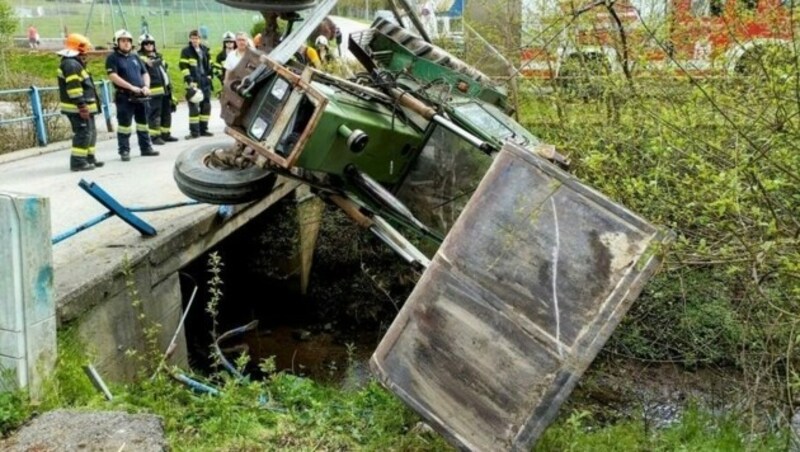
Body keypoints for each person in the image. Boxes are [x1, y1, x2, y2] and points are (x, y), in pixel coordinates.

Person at [106, 29, 158, 161]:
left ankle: (146, 148)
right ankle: (124, 150)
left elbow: (144, 73)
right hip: (125, 96)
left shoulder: (135, 57)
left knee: (143, 124)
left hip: (140, 96)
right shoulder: (112, 58)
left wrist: (146, 86)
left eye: (128, 41)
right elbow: (113, 75)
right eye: (123, 41)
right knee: (124, 125)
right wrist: (130, 87)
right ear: (117, 42)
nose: (126, 43)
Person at [57, 33, 102, 171]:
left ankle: (89, 157)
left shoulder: (74, 63)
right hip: (77, 108)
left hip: (83, 107)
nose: (86, 54)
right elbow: (74, 88)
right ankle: (78, 162)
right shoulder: (71, 64)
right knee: (83, 132)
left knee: (91, 132)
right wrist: (82, 106)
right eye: (84, 51)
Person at [138, 33, 178, 145]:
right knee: (155, 114)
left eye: (151, 43)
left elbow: (165, 73)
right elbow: (147, 67)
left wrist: (170, 88)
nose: (149, 45)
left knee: (167, 112)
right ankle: (155, 136)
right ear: (141, 45)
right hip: (154, 91)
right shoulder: (141, 58)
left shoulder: (158, 56)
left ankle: (165, 134)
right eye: (146, 43)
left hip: (165, 90)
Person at [179, 29, 213, 139]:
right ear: (190, 39)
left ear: (200, 39)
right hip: (193, 82)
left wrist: (210, 76)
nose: (195, 40)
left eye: (196, 38)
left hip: (205, 81)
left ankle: (204, 129)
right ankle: (194, 132)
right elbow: (183, 66)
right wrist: (189, 80)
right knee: (194, 107)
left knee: (206, 106)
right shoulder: (186, 51)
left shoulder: (205, 50)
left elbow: (210, 65)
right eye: (193, 38)